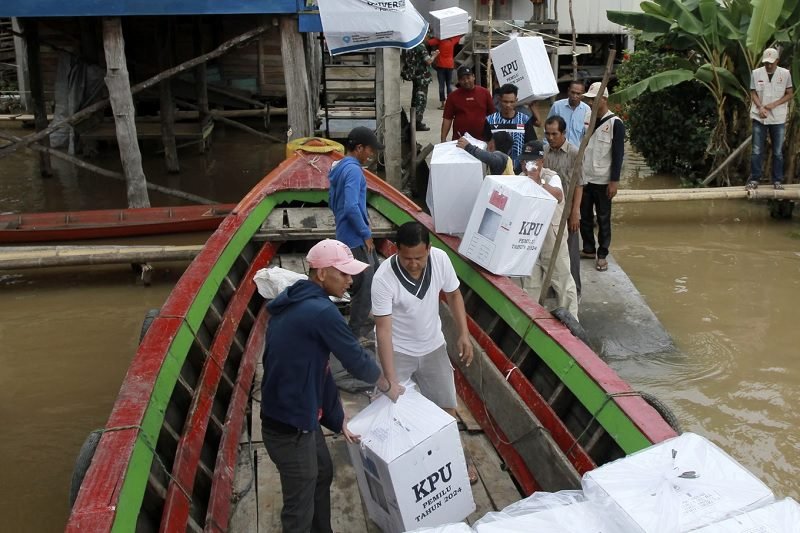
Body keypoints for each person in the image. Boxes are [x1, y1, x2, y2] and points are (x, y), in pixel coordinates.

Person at [260, 239, 404, 533]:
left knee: (322, 472)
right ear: (322, 273)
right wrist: (387, 385)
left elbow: (322, 370)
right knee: (298, 507)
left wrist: (338, 420)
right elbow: (356, 359)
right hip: (290, 426)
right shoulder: (321, 312)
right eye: (344, 273)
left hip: (300, 415)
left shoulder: (296, 299)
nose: (351, 281)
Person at [371, 221, 477, 482]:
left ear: (429, 249)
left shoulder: (440, 260)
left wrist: (464, 334)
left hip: (433, 347)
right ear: (396, 251)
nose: (414, 263)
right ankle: (402, 470)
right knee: (394, 412)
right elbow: (383, 330)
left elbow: (453, 295)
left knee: (447, 408)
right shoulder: (383, 278)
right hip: (398, 350)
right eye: (407, 258)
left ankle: (456, 458)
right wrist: (390, 378)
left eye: (419, 257)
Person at [328, 126, 383, 340]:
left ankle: (366, 320)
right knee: (365, 286)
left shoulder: (339, 167)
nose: (372, 155)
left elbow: (333, 202)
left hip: (345, 233)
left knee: (374, 275)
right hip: (355, 238)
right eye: (370, 150)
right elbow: (351, 206)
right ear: (359, 148)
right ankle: (355, 334)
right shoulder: (353, 171)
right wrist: (365, 233)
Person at [519, 141, 579, 318]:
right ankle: (530, 323)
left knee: (563, 282)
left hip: (552, 241)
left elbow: (558, 195)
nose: (527, 166)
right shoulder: (519, 178)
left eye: (531, 161)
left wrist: (538, 182)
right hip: (529, 240)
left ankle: (573, 326)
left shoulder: (552, 177)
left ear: (541, 161)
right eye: (524, 161)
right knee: (530, 285)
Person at [580, 82, 625, 273]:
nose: (590, 103)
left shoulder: (616, 123)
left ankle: (602, 254)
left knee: (604, 218)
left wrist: (613, 182)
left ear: (604, 99)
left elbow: (618, 155)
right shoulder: (588, 117)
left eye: (594, 99)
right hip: (585, 176)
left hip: (603, 178)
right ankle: (589, 248)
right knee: (584, 215)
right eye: (589, 99)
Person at [543, 115, 583, 296]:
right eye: (547, 134)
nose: (550, 138)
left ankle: (575, 291)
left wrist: (575, 212)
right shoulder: (544, 152)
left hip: (567, 212)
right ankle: (553, 288)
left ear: (563, 133)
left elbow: (579, 184)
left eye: (554, 134)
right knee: (551, 252)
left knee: (571, 254)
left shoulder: (574, 153)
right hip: (549, 212)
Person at [747, 47, 793, 191]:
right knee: (756, 150)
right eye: (766, 62)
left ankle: (777, 180)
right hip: (759, 116)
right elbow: (753, 93)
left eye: (771, 63)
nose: (768, 65)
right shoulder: (756, 73)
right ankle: (754, 179)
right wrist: (761, 107)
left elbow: (789, 93)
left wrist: (772, 105)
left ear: (777, 61)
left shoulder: (785, 74)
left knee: (777, 151)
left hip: (777, 117)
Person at [484, 83, 538, 171]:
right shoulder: (490, 120)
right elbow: (486, 145)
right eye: (505, 101)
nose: (508, 105)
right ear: (499, 100)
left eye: (511, 102)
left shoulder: (524, 120)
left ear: (516, 100)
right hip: (497, 170)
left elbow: (531, 144)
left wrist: (527, 165)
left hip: (519, 170)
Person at [440, 65, 495, 142]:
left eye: (468, 78)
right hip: (460, 140)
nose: (466, 81)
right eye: (463, 79)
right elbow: (447, 119)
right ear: (459, 81)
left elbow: (492, 116)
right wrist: (443, 139)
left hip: (482, 140)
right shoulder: (452, 96)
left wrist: (492, 138)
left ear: (473, 77)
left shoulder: (485, 93)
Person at [401, 42, 440, 131]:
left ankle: (414, 121)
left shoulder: (410, 45)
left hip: (415, 77)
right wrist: (434, 55)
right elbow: (428, 61)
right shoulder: (420, 46)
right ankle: (417, 123)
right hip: (422, 78)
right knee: (421, 100)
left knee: (415, 99)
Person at [547, 80, 591, 147]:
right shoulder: (557, 106)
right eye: (572, 92)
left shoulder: (587, 110)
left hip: (577, 152)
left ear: (583, 94)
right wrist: (547, 147)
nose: (574, 96)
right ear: (568, 91)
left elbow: (587, 134)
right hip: (557, 151)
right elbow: (547, 127)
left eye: (578, 94)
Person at [427, 34, 462, 109]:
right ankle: (450, 104)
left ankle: (443, 104)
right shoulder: (452, 40)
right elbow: (459, 36)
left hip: (441, 66)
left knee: (441, 85)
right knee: (449, 85)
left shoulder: (439, 40)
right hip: (450, 65)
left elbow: (429, 42)